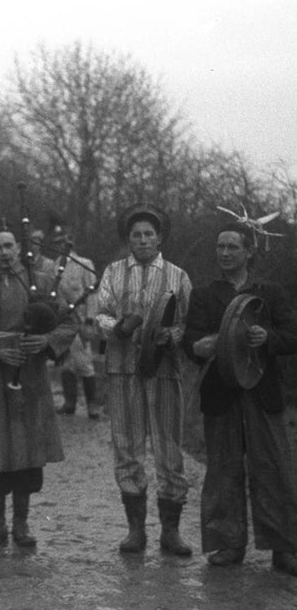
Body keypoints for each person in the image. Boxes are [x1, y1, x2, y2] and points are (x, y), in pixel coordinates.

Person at [183, 222, 297, 575]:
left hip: (263, 394)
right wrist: (200, 346)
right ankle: (227, 543)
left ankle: (284, 547)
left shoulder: (271, 292)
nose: (225, 253)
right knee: (223, 467)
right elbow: (191, 340)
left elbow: (292, 335)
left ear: (249, 251)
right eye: (220, 247)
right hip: (221, 393)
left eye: (233, 247)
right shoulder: (204, 295)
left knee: (273, 466)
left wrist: (269, 337)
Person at [0, 218, 78, 547]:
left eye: (9, 246)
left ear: (18, 249)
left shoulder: (40, 284)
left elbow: (70, 321)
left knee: (28, 450)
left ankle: (22, 523)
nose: (3, 253)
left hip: (30, 378)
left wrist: (46, 342)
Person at [95, 206, 193, 556]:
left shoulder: (178, 276)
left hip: (164, 371)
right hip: (123, 371)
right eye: (136, 235)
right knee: (127, 446)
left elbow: (187, 323)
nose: (142, 240)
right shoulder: (113, 272)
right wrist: (118, 327)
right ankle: (136, 530)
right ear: (128, 239)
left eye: (149, 234)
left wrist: (171, 336)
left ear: (160, 238)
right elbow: (100, 314)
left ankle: (171, 531)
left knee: (169, 449)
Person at [51, 227, 101, 419]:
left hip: (80, 319)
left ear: (69, 243)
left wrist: (90, 319)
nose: (60, 246)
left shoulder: (84, 264)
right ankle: (70, 402)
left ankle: (92, 405)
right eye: (56, 243)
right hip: (62, 321)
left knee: (84, 363)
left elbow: (93, 294)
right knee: (65, 363)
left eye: (63, 242)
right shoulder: (52, 267)